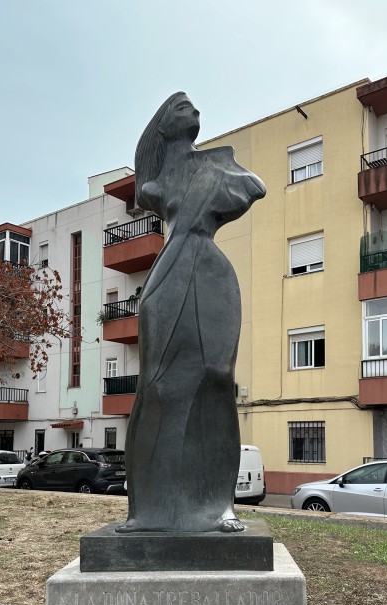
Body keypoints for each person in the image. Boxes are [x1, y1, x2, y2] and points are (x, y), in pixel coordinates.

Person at [119, 92, 266, 533]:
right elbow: (153, 195)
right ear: (163, 126)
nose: (194, 110)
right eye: (182, 108)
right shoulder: (155, 184)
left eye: (194, 107)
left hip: (212, 272)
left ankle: (219, 505)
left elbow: (255, 186)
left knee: (217, 378)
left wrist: (216, 175)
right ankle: (147, 509)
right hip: (168, 277)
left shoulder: (219, 164)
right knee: (158, 387)